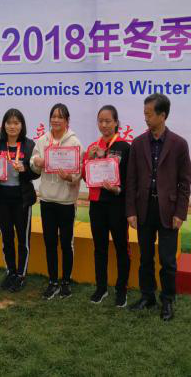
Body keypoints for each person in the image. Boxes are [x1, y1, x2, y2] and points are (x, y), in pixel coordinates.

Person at [126, 93, 191, 321]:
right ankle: (147, 296)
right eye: (144, 113)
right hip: (144, 209)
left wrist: (180, 213)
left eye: (149, 114)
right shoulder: (138, 143)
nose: (145, 118)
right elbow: (131, 180)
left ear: (162, 115)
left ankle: (167, 300)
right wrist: (131, 211)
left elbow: (185, 183)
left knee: (167, 260)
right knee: (145, 258)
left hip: (168, 211)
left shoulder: (179, 144)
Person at [0, 108, 40, 293]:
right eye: (9, 123)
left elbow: (36, 174)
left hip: (22, 199)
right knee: (6, 238)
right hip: (2, 199)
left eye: (16, 123)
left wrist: (25, 170)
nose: (12, 126)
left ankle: (21, 275)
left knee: (23, 239)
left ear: (22, 125)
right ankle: (11, 272)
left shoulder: (29, 146)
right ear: (4, 125)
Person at [30, 103, 82, 300]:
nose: (56, 120)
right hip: (47, 200)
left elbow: (79, 172)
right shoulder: (42, 140)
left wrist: (70, 177)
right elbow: (33, 162)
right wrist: (36, 162)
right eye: (53, 116)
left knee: (66, 243)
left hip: (66, 201)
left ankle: (66, 282)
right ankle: (52, 281)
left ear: (67, 121)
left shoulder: (74, 142)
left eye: (60, 117)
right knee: (50, 243)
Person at [82, 105, 131, 307]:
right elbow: (85, 176)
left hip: (117, 205)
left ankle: (121, 290)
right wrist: (90, 159)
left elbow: (130, 179)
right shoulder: (93, 147)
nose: (104, 125)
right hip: (97, 205)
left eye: (108, 121)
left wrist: (117, 189)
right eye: (100, 121)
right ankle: (101, 288)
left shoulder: (125, 147)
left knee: (121, 248)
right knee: (100, 248)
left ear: (116, 122)